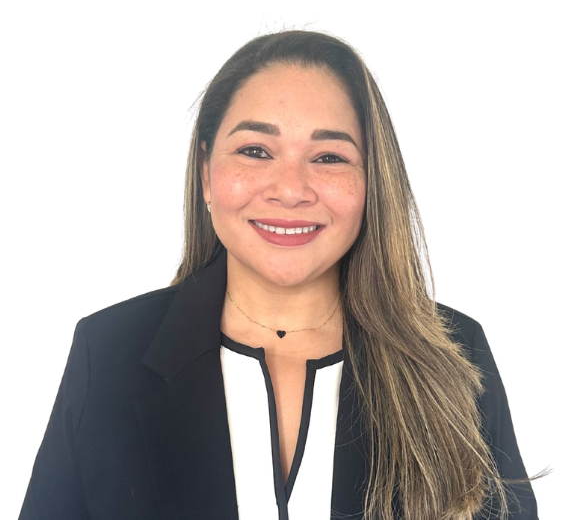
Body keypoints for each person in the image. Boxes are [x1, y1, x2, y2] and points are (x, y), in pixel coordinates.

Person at [19, 30, 540, 520]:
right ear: (206, 172)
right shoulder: (109, 351)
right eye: (255, 151)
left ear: (371, 182)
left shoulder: (453, 355)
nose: (290, 190)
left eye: (329, 157)